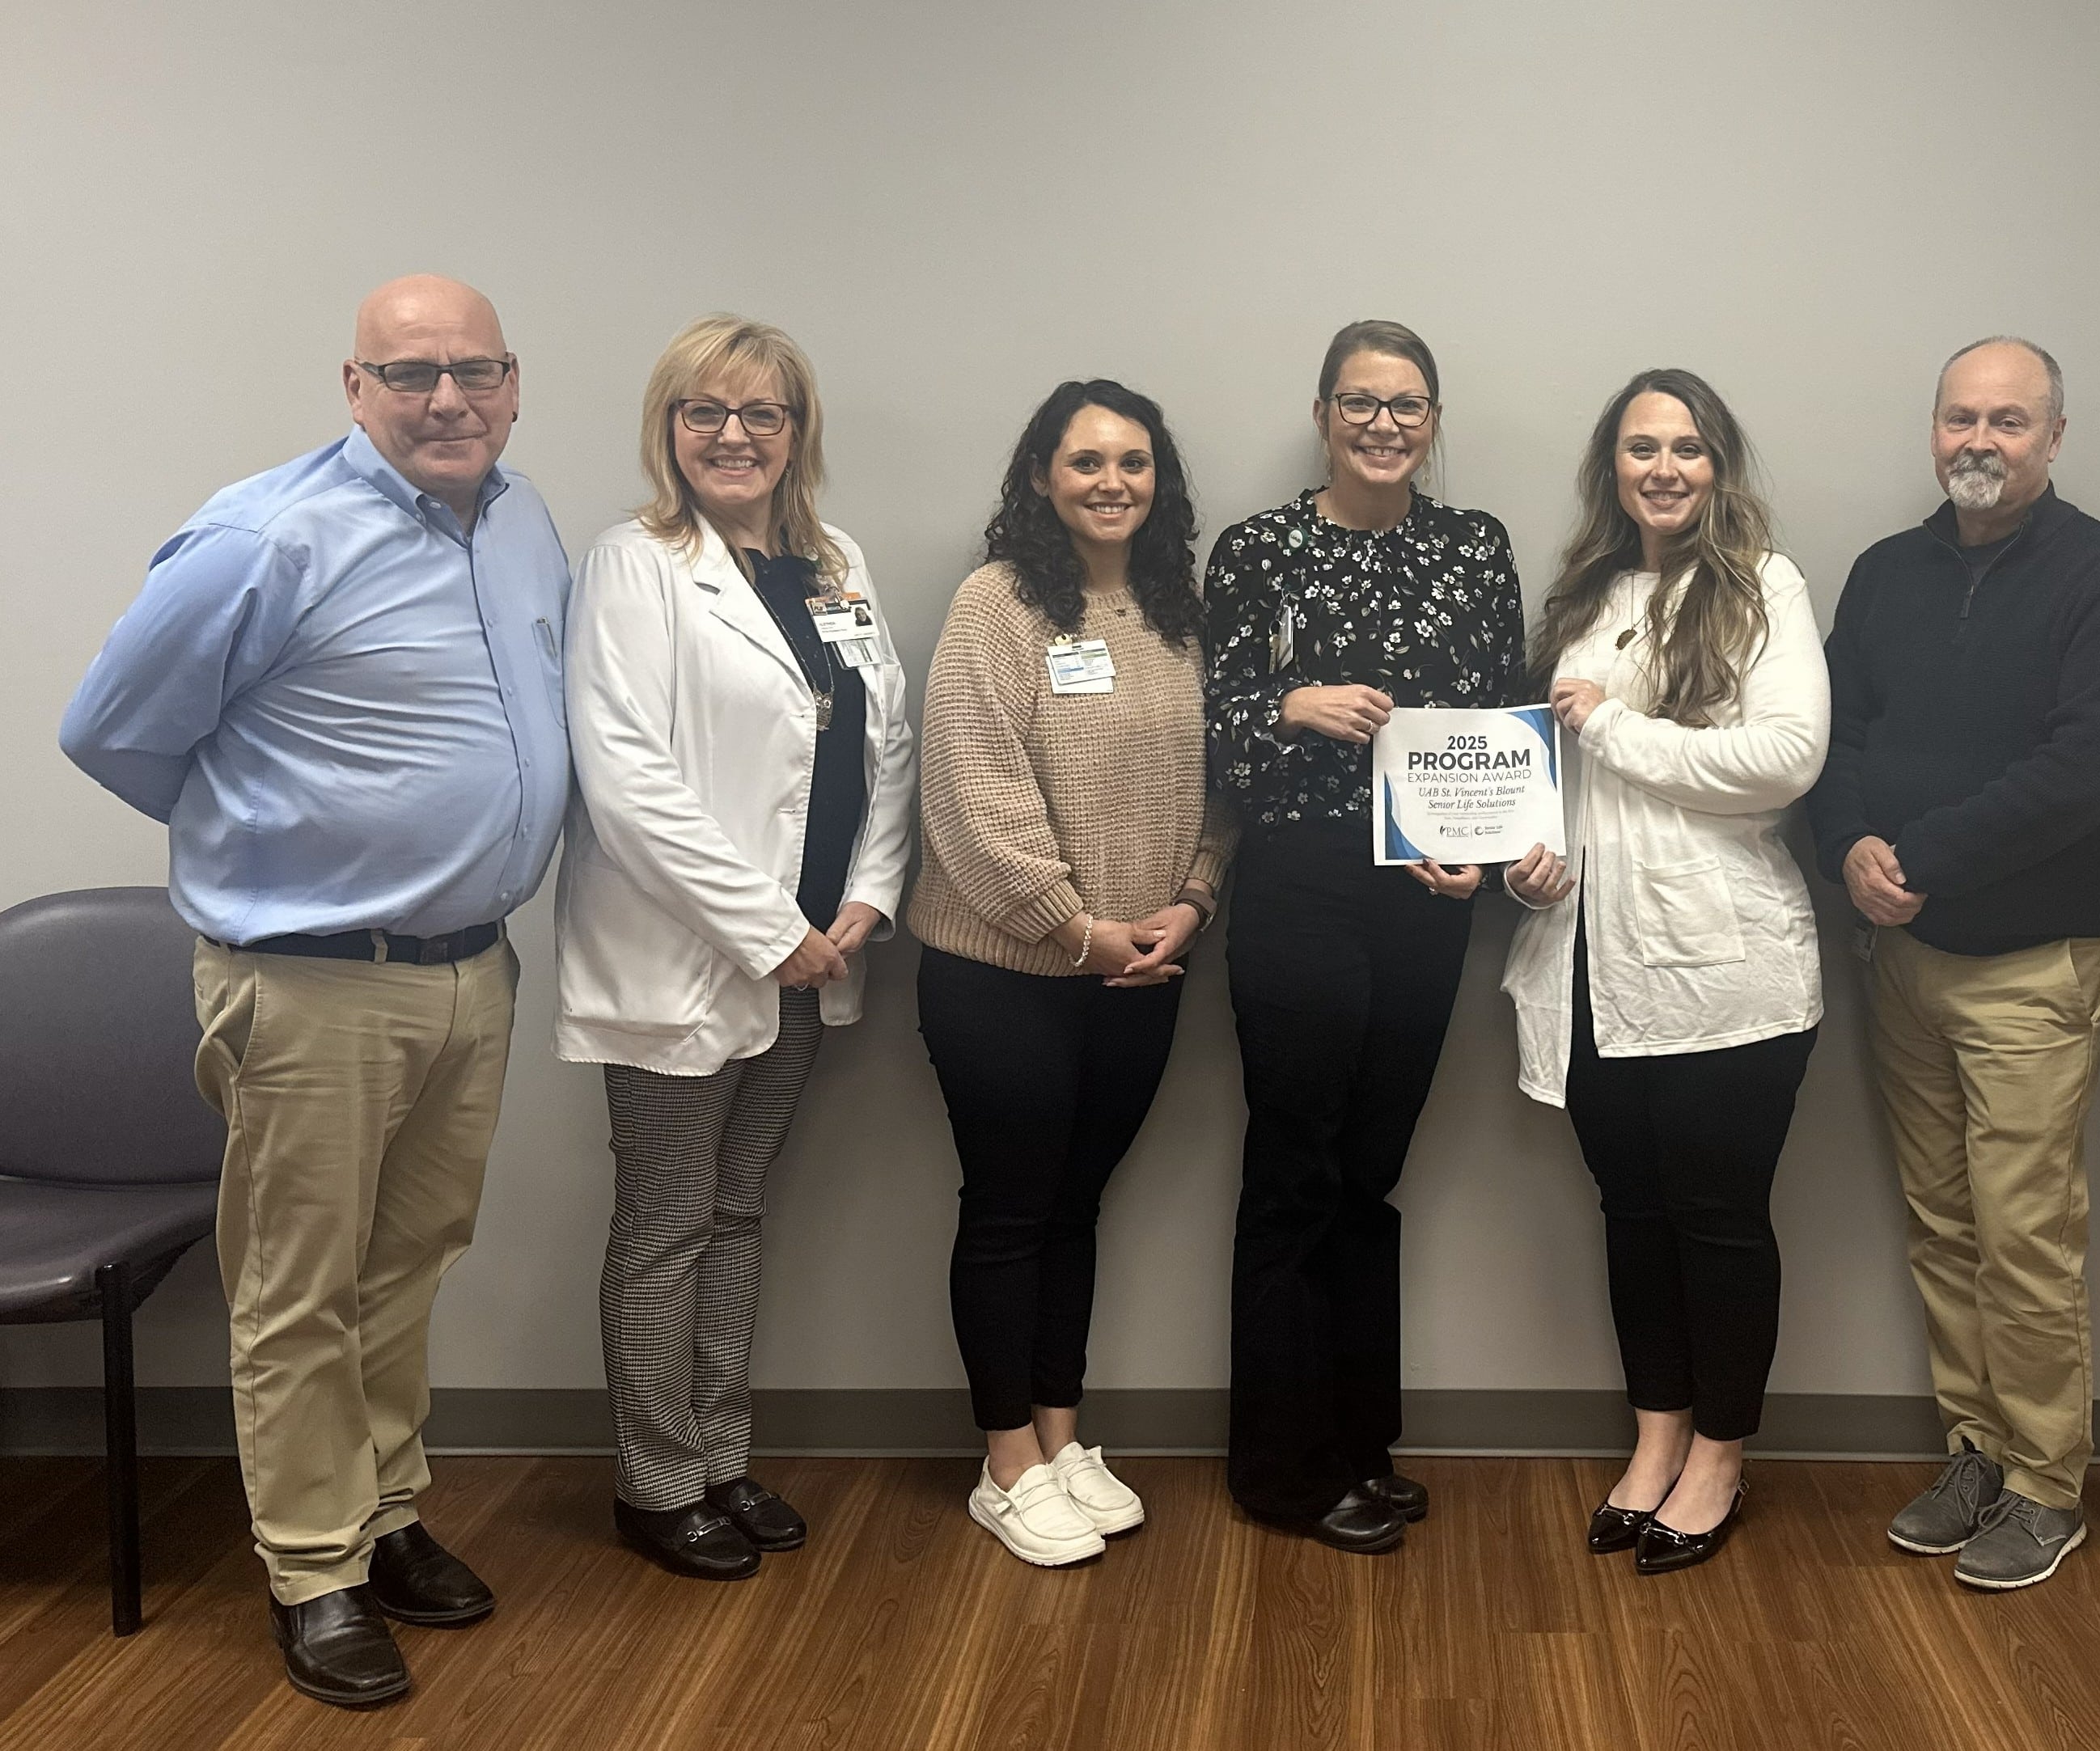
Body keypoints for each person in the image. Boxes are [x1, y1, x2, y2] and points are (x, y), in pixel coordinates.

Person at [58, 276, 565, 1707]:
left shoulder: (522, 522)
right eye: (410, 373)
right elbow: (112, 732)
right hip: (310, 983)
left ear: (516, 383)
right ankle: (311, 1567)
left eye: (474, 369)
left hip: (473, 972)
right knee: (297, 1290)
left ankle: (387, 1511)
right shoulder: (265, 535)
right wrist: (280, 842)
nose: (447, 398)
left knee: (408, 1265)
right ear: (354, 387)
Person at [1805, 336, 2100, 1591]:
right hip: (1903, 957)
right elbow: (1840, 731)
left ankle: (2045, 1481)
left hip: (2036, 963)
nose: (1980, 441)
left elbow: (2084, 770)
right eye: (1961, 417)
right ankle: (1974, 1446)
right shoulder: (1884, 572)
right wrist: (1851, 845)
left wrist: (1919, 854)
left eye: (2009, 422)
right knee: (1943, 1224)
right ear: (1933, 430)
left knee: (2025, 1233)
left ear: (2056, 438)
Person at [555, 315, 913, 1581]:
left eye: (763, 414)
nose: (734, 436)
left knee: (740, 1207)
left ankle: (719, 1452)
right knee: (665, 1220)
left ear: (798, 433)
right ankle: (655, 1481)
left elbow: (882, 744)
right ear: (669, 429)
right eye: (705, 412)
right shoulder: (633, 564)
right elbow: (628, 780)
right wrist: (772, 931)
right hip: (686, 957)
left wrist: (866, 897)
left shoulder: (836, 562)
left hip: (817, 954)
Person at [1501, 370, 1829, 1575]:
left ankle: (1721, 1457)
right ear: (1613, 469)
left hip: (1724, 972)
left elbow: (1789, 756)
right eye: (1641, 447)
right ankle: (1654, 1442)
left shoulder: (1761, 588)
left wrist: (1612, 727)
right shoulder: (1584, 594)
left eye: (1687, 446)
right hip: (1588, 964)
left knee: (1718, 1222)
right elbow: (1557, 778)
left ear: (1719, 464)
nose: (1665, 467)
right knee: (1633, 1217)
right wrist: (1528, 868)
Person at [1206, 319, 1526, 1552]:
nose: (1383, 423)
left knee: (1372, 1174)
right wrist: (1293, 702)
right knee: (1297, 1166)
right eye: (1359, 401)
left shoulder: (1474, 546)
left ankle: (1360, 1442)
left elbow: (1502, 720)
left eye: (1406, 403)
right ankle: (1282, 1470)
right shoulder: (1261, 551)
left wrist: (1483, 852)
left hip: (1425, 892)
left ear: (1434, 418)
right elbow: (1219, 736)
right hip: (1299, 882)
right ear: (1324, 413)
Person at [908, 379, 1232, 1568]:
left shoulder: (1176, 610)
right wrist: (1075, 927)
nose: (1112, 483)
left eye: (1135, 462)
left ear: (1161, 480)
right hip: (1006, 973)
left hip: (1147, 969)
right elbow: (970, 791)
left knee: (1077, 1205)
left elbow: (1219, 785)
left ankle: (1060, 1437)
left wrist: (1192, 902)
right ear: (1043, 474)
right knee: (1008, 1212)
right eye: (1087, 461)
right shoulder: (997, 604)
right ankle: (1004, 1463)